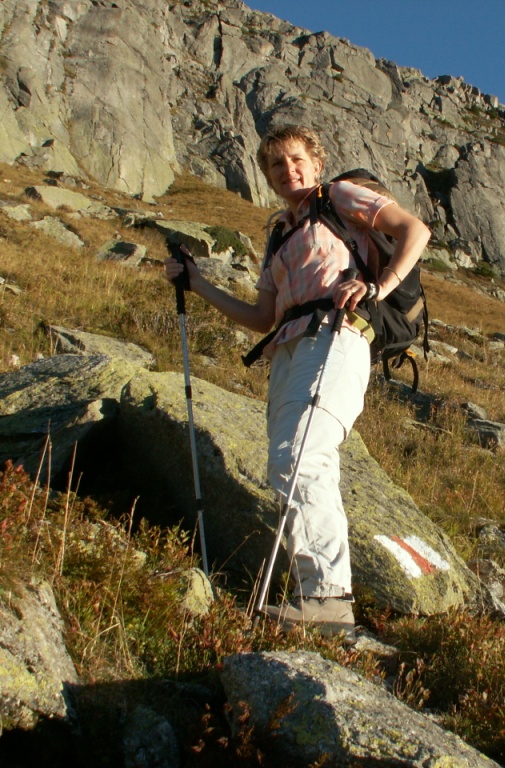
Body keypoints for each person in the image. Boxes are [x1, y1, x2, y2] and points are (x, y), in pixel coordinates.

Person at [165, 125, 430, 633]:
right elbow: (262, 317)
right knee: (290, 463)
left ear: (315, 163)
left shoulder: (339, 196)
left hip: (337, 334)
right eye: (275, 164)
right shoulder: (280, 235)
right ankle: (320, 597)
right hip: (288, 350)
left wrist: (378, 286)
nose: (287, 170)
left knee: (301, 458)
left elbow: (414, 230)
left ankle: (327, 598)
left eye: (296, 160)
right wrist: (197, 284)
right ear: (267, 176)